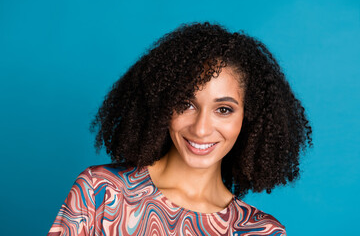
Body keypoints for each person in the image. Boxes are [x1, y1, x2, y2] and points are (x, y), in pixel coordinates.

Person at [48, 22, 312, 236]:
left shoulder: (259, 231)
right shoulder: (101, 192)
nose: (201, 129)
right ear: (163, 104)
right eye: (186, 104)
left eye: (223, 109)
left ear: (251, 120)